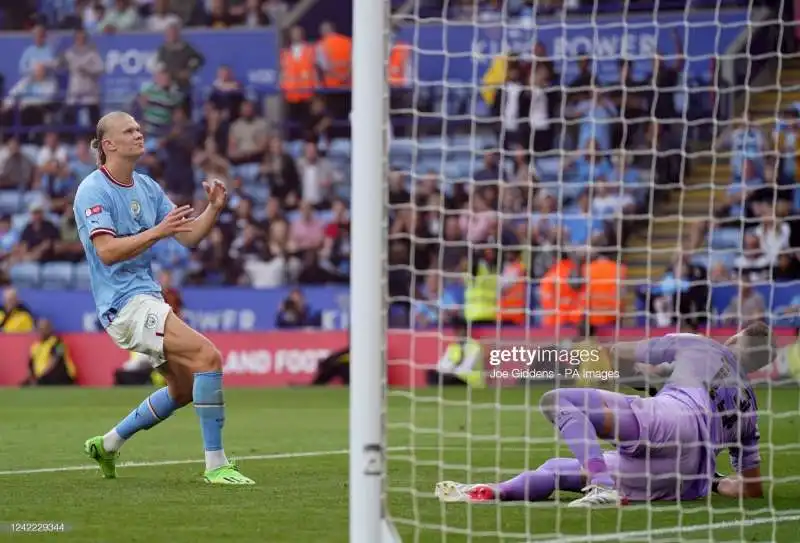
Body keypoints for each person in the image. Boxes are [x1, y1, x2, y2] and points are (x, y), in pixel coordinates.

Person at [74, 111, 254, 485]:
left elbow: (188, 236)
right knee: (208, 357)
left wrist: (213, 210)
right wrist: (156, 232)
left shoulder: (147, 187)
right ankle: (216, 465)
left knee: (184, 388)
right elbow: (106, 251)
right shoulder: (93, 190)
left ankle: (107, 444)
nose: (139, 134)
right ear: (109, 145)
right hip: (123, 305)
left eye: (139, 129)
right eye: (129, 131)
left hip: (146, 298)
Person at [435, 323, 772, 506]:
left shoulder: (702, 344)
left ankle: (602, 486)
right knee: (556, 468)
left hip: (667, 420)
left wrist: (638, 377)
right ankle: (495, 491)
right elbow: (751, 489)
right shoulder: (751, 409)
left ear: (734, 337)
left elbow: (620, 352)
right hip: (685, 479)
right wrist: (712, 482)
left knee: (558, 400)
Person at [20, 318, 77, 386]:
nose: (42, 331)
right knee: (24, 385)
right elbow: (30, 365)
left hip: (59, 376)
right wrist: (31, 378)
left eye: (45, 328)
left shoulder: (59, 344)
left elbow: (53, 362)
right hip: (42, 378)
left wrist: (39, 378)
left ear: (50, 329)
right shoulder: (35, 346)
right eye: (40, 329)